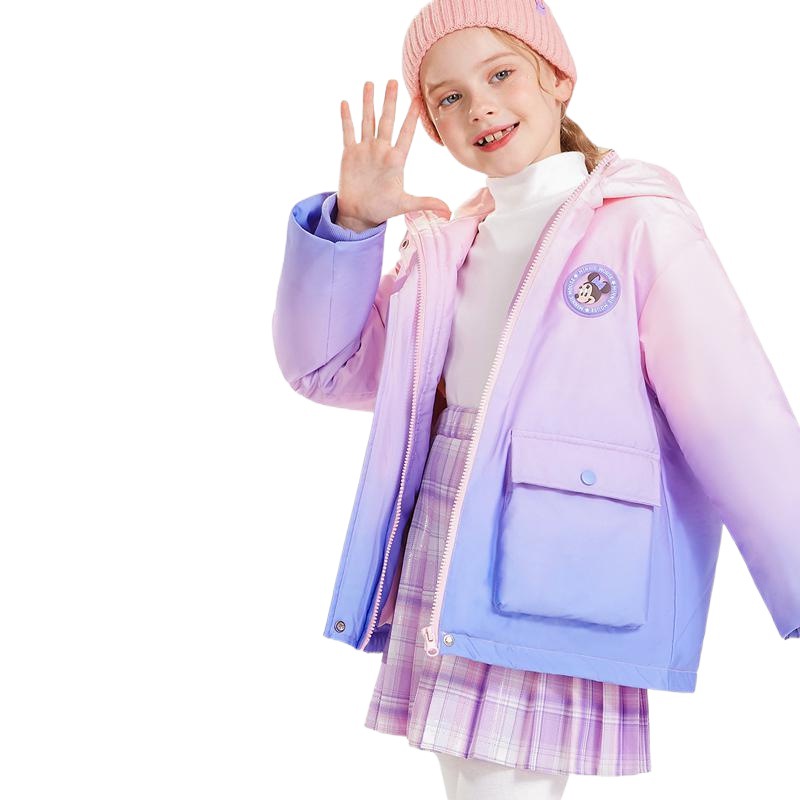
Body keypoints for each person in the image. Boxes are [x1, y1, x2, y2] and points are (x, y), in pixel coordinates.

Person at [272, 1, 800, 797]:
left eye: (501, 74)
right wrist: (352, 226)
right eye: (449, 97)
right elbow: (326, 367)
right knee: (477, 781)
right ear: (435, 128)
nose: (479, 106)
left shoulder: (639, 226)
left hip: (559, 546)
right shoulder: (449, 243)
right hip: (450, 531)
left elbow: (732, 410)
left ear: (557, 79)